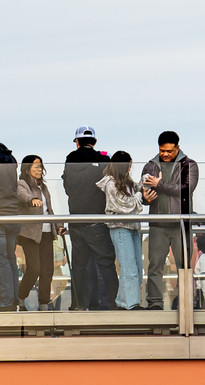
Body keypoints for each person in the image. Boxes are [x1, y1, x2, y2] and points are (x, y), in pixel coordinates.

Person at [139, 131, 198, 310]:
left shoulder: (189, 165)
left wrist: (160, 185)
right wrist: (145, 198)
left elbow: (187, 189)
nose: (165, 154)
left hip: (181, 224)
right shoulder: (150, 166)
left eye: (169, 151)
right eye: (162, 150)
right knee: (155, 265)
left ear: (177, 148)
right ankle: (155, 303)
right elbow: (142, 195)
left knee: (184, 266)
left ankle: (186, 301)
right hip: (158, 224)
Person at [63, 126, 116, 310]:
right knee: (106, 262)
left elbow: (68, 188)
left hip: (76, 219)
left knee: (79, 265)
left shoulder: (70, 159)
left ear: (77, 142)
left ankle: (79, 304)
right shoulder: (103, 160)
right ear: (94, 142)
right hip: (97, 219)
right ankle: (111, 303)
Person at [98, 153, 145, 310]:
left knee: (137, 266)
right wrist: (140, 194)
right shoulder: (111, 184)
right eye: (128, 165)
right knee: (128, 267)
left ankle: (123, 301)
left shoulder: (127, 183)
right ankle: (130, 303)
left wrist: (145, 184)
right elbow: (126, 206)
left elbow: (135, 196)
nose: (130, 168)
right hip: (120, 228)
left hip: (132, 228)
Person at [16, 155, 64, 311]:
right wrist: (32, 200)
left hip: (46, 232)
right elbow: (22, 196)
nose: (39, 169)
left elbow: (49, 210)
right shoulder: (22, 184)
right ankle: (21, 298)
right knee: (34, 268)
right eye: (36, 166)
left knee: (47, 270)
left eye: (41, 166)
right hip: (30, 233)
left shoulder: (44, 187)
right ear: (27, 168)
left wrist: (58, 225)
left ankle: (43, 303)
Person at [0, 144, 17, 312]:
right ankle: (13, 300)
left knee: (2, 259)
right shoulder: (12, 162)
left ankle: (5, 302)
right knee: (11, 258)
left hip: (1, 215)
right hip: (14, 215)